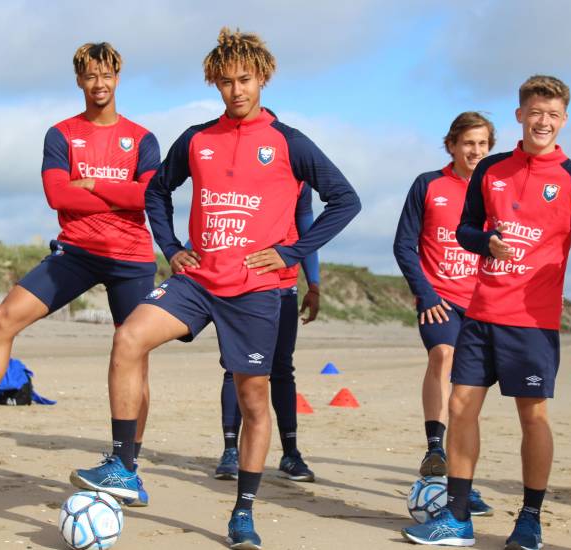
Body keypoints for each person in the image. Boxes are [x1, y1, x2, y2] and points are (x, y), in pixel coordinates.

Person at [67, 27, 360, 549]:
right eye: (225, 82)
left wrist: (291, 254)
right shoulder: (198, 139)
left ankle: (244, 511)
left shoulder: (289, 141)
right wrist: (171, 246)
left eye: (244, 80)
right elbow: (157, 191)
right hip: (197, 279)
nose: (236, 91)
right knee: (129, 338)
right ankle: (123, 464)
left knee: (253, 400)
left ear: (262, 77)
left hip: (256, 290)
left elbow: (345, 200)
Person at [402, 75, 571, 549]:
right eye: (535, 111)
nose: (543, 121)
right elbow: (465, 230)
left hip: (533, 320)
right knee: (461, 407)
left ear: (563, 120)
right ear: (520, 115)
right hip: (482, 311)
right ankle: (457, 519)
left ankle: (529, 519)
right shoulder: (492, 170)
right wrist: (486, 242)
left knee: (534, 417)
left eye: (553, 114)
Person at [0, 43, 160, 507]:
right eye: (91, 75)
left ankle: (127, 466)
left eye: (107, 74)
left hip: (131, 256)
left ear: (118, 77)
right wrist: (115, 192)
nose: (100, 83)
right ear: (79, 81)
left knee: (134, 356)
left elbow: (146, 198)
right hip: (76, 251)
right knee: (3, 318)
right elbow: (56, 195)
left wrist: (90, 184)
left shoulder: (142, 139)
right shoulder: (62, 134)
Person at [393, 112, 495, 516]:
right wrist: (426, 295)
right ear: (451, 144)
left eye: (483, 144)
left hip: (483, 304)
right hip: (438, 300)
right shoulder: (427, 184)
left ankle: (461, 480)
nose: (475, 151)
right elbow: (404, 246)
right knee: (442, 356)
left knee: (469, 394)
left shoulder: (494, 190)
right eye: (468, 143)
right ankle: (435, 446)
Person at [213, 182, 321, 482]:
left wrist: (313, 283)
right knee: (235, 367)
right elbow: (216, 215)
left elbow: (307, 227)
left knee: (282, 368)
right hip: (239, 284)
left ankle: (290, 453)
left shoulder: (299, 178)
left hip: (284, 286)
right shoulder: (248, 166)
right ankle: (230, 451)